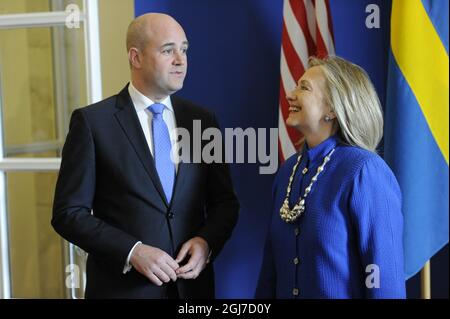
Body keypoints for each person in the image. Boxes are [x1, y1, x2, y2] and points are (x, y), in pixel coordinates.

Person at [52, 13, 239, 299]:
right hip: (123, 291)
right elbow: (68, 213)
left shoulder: (202, 121)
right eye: (168, 50)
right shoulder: (92, 123)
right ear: (135, 57)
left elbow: (225, 202)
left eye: (184, 49)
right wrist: (132, 251)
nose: (181, 59)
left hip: (193, 292)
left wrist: (205, 242)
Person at [255, 56, 406, 298]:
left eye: (304, 88)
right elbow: (269, 274)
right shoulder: (287, 172)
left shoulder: (364, 170)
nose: (290, 95)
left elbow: (384, 279)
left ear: (333, 109)